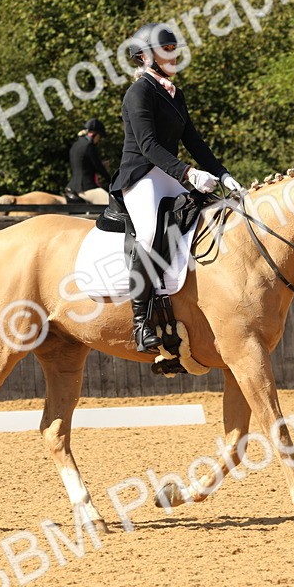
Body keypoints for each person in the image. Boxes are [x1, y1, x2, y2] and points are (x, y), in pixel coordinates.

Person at [109, 22, 244, 352]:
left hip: (169, 173)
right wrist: (188, 174)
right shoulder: (138, 92)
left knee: (212, 215)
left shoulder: (174, 93)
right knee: (151, 234)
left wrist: (222, 174)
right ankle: (141, 324)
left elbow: (193, 141)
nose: (174, 55)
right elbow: (147, 144)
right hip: (141, 176)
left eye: (174, 50)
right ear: (146, 56)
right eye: (167, 50)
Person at [65, 118, 110, 204]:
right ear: (94, 134)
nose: (99, 140)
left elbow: (83, 165)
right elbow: (99, 168)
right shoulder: (89, 146)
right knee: (112, 205)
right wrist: (111, 181)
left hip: (72, 185)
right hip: (86, 187)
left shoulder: (76, 144)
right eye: (99, 136)